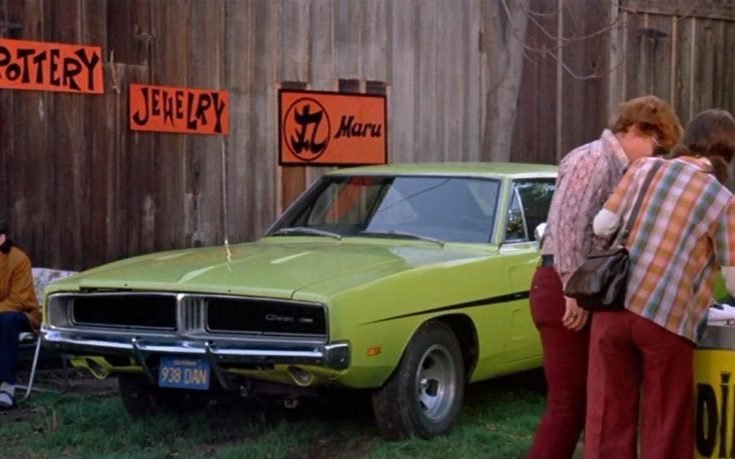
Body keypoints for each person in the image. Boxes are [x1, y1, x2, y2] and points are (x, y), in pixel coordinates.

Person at [527, 95, 682, 459]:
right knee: (568, 403)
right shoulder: (593, 158)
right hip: (565, 284)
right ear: (635, 130)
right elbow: (567, 224)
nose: (657, 156)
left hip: (588, 287)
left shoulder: (626, 170)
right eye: (656, 145)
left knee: (585, 402)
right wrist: (573, 289)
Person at [586, 109, 735, 458]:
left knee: (608, 410)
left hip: (614, 302)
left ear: (689, 138)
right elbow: (733, 278)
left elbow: (602, 225)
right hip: (668, 315)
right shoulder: (722, 200)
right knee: (665, 419)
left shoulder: (644, 168)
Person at [0, 217, 40, 410]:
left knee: (5, 321)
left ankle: (6, 389)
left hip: (22, 314)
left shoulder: (18, 259)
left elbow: (19, 300)